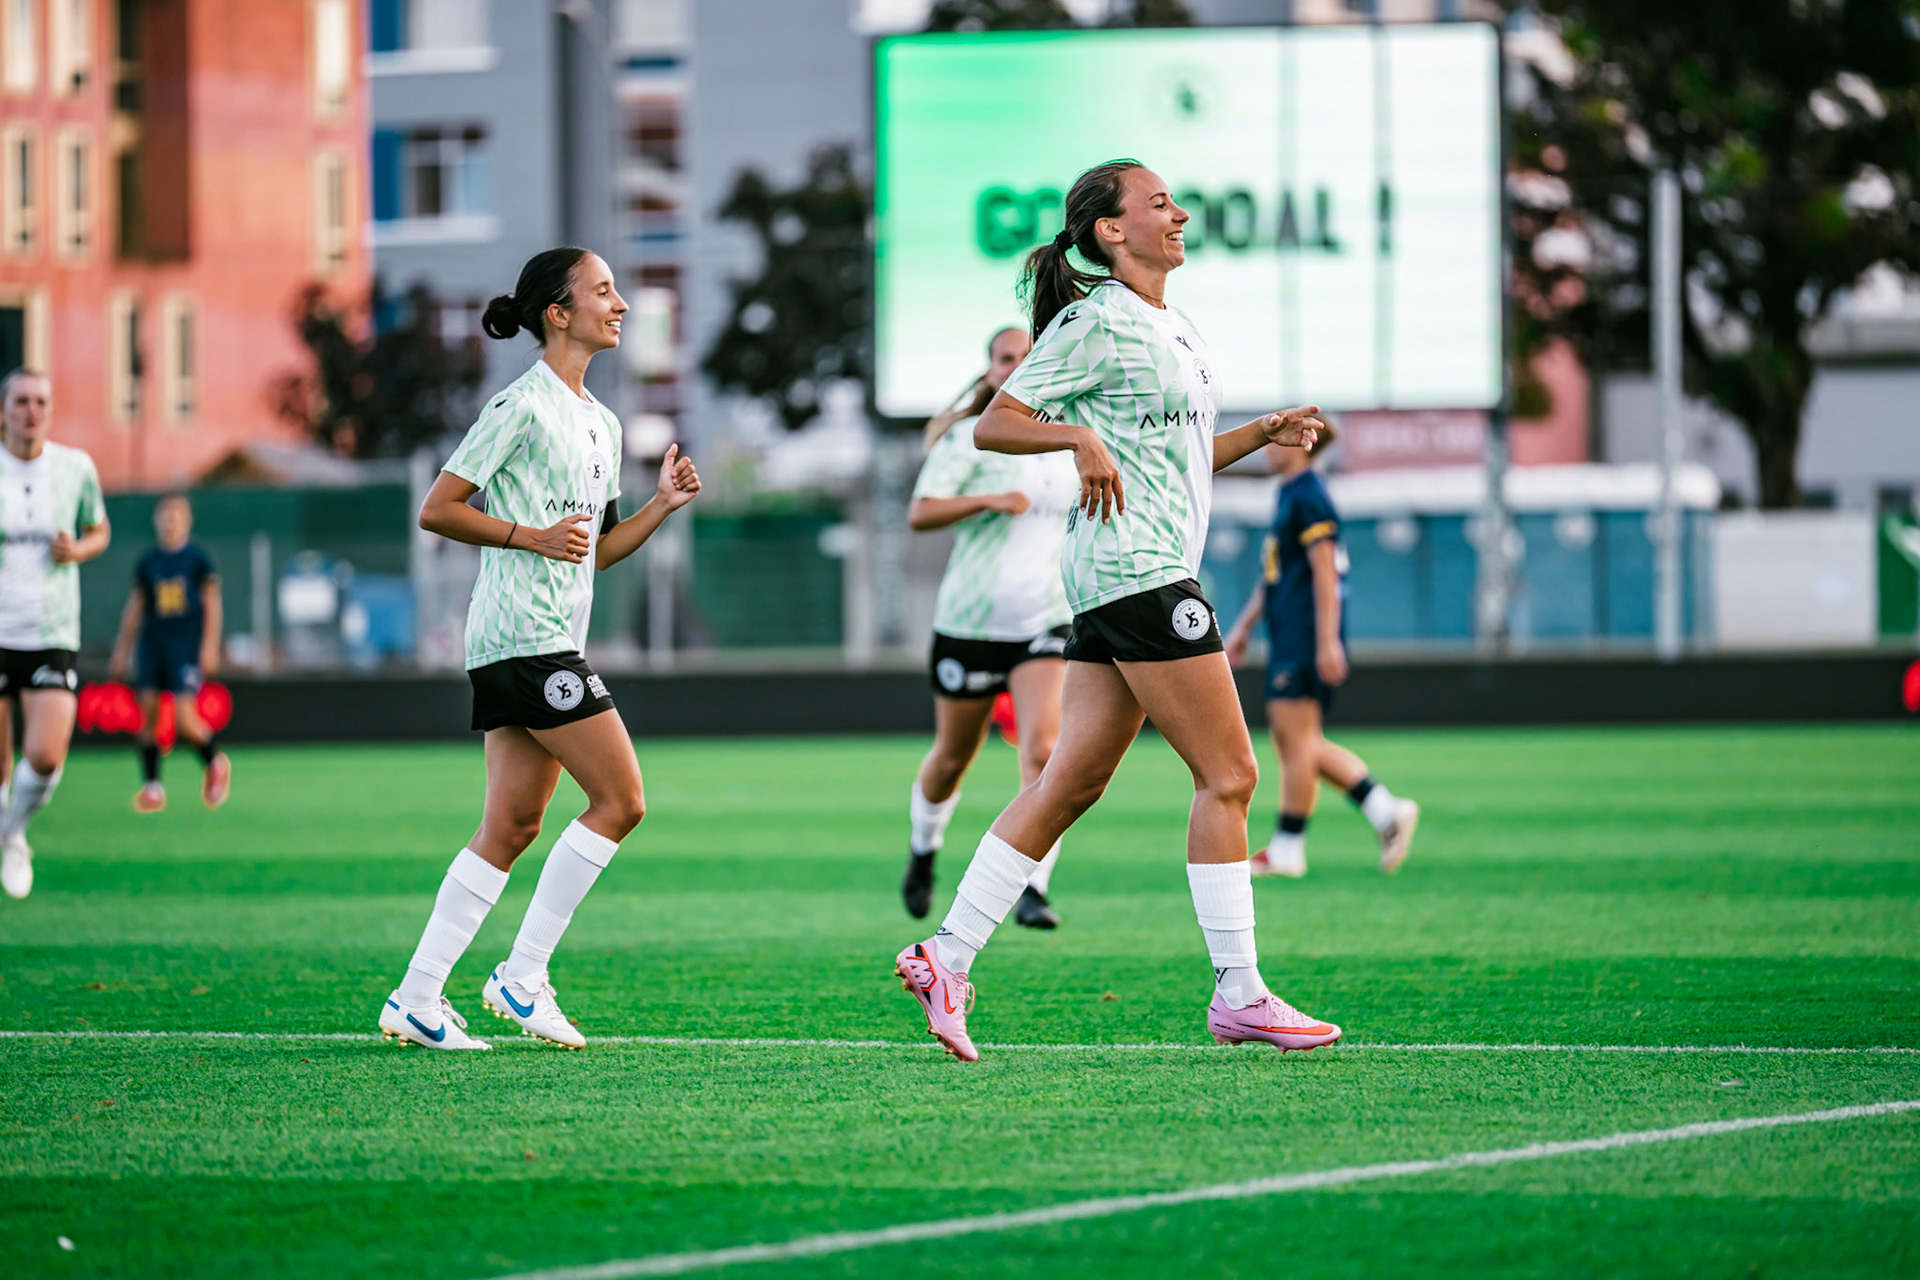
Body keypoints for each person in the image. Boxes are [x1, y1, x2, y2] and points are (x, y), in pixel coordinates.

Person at [893, 160, 1338, 1062]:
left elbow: (1177, 456)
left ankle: (944, 955)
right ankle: (1241, 993)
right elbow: (998, 423)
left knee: (1068, 782)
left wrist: (1262, 432)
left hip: (1121, 573)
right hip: (1137, 572)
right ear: (1110, 230)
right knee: (1230, 776)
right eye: (1159, 204)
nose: (1179, 214)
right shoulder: (1095, 319)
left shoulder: (1170, 323)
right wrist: (1078, 435)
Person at [379, 246, 701, 1051]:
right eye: (603, 291)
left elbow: (590, 549)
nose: (620, 303)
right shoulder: (519, 405)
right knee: (622, 801)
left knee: (514, 826)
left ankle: (416, 997)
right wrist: (526, 533)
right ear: (558, 314)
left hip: (543, 640)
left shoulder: (603, 420)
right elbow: (439, 508)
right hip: (524, 640)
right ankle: (521, 977)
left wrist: (659, 507)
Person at [902, 325, 1079, 930]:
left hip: (1046, 620)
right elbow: (920, 513)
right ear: (990, 371)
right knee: (953, 756)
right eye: (1006, 358)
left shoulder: (1067, 436)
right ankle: (924, 852)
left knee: (1045, 752)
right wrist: (988, 500)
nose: (1017, 365)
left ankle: (1034, 886)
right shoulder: (965, 440)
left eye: (1027, 356)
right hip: (970, 623)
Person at [1224, 431, 1419, 879]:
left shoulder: (1309, 495)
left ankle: (1298, 844)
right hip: (1290, 634)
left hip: (1304, 637)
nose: (1268, 447)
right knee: (1298, 743)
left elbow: (1325, 570)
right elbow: (1277, 573)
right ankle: (1379, 812)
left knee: (1297, 742)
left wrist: (1327, 640)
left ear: (1303, 445)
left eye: (1277, 440)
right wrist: (1245, 627)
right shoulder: (1291, 494)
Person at [0, 368, 110, 900]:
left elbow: (100, 529)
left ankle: (13, 833)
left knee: (45, 755)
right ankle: (9, 831)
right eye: (21, 401)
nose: (32, 410)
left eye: (41, 400)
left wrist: (79, 550)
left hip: (51, 629)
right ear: (4, 410)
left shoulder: (73, 468)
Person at [109, 493, 231, 813]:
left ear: (188, 519)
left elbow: (212, 604)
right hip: (152, 644)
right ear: (156, 519)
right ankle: (152, 787)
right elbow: (136, 606)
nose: (170, 519)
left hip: (184, 647)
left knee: (183, 718)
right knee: (147, 714)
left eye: (177, 513)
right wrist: (122, 648)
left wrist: (209, 646)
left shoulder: (198, 558)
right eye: (165, 513)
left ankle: (214, 760)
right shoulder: (148, 561)